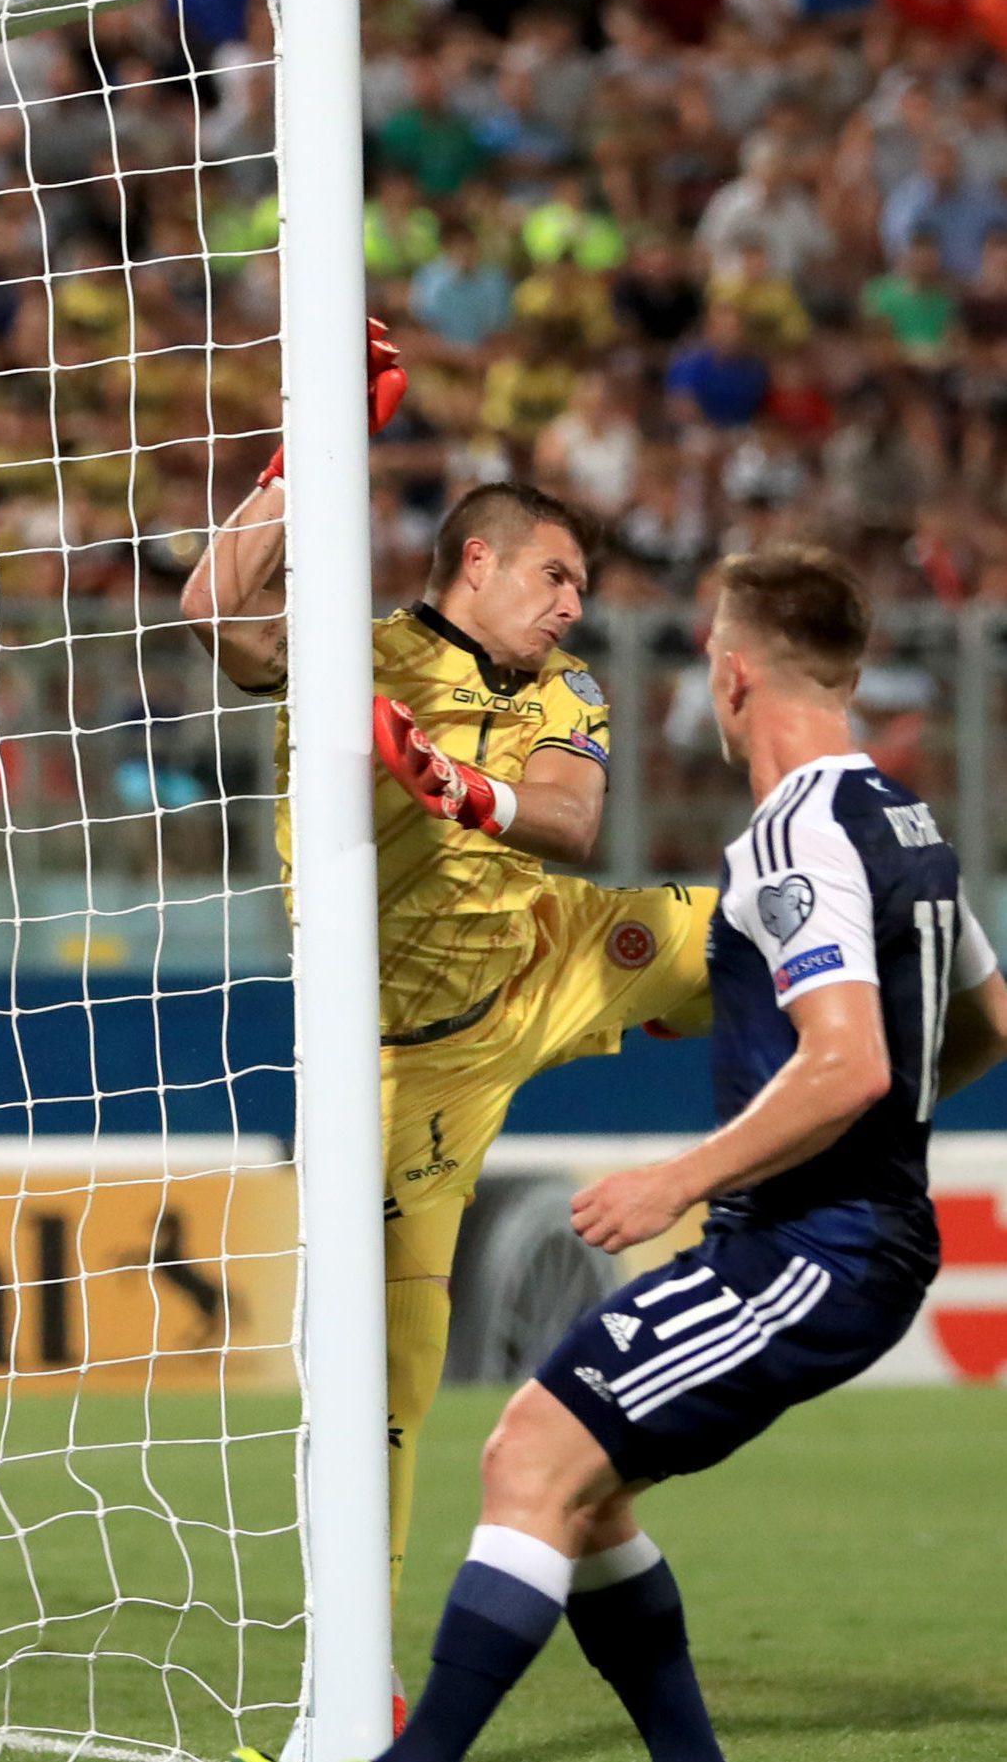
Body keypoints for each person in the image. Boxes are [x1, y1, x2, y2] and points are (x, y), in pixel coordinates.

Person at [320, 545, 1007, 1762]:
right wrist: (884, 1132)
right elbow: (985, 1024)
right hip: (833, 1233)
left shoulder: (797, 834)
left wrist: (678, 1177)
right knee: (583, 1501)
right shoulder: (901, 818)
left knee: (528, 1452)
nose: (700, 676)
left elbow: (847, 1062)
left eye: (701, 652)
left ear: (734, 674)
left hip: (814, 1246)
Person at [179, 322, 718, 1686]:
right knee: (386, 1387)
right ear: (474, 559)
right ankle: (357, 1675)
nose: (572, 605)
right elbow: (212, 616)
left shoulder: (564, 690)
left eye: (583, 585)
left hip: (552, 952)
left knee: (780, 930)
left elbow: (577, 819)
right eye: (555, 575)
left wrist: (454, 786)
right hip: (403, 1068)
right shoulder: (345, 659)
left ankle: (900, 1074)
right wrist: (310, 455)